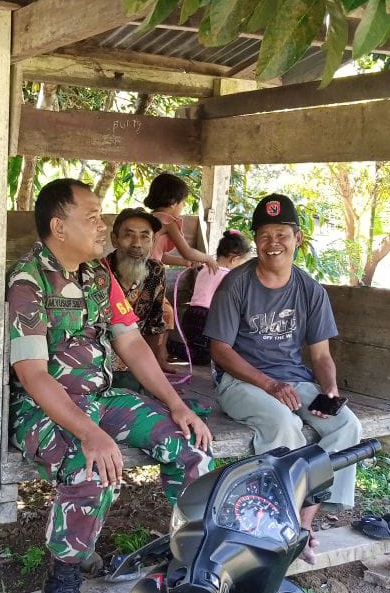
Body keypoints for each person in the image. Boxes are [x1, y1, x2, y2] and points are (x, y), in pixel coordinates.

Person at [8, 178, 213, 593]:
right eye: (93, 217)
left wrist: (176, 403)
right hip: (44, 407)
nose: (102, 226)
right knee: (91, 466)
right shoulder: (29, 281)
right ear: (59, 227)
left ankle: (186, 562)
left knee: (191, 445)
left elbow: (132, 342)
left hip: (101, 398)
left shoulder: (100, 275)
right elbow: (33, 374)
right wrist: (90, 433)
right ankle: (63, 577)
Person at [205, 193, 361, 562]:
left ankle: (303, 524)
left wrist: (329, 390)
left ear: (297, 239)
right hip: (242, 382)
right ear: (255, 240)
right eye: (264, 235)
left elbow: (321, 355)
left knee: (347, 426)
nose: (273, 243)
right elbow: (220, 351)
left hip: (294, 381)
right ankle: (277, 524)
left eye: (282, 234)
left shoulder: (309, 289)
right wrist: (268, 384)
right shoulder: (236, 285)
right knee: (283, 424)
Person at [105, 207, 172, 379]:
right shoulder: (98, 273)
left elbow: (153, 325)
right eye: (129, 235)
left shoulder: (156, 271)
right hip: (100, 366)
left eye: (144, 236)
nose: (137, 244)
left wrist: (153, 376)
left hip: (136, 364)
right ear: (114, 239)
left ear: (153, 242)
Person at [180, 230, 253, 365]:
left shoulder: (204, 269)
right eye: (242, 264)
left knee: (200, 350)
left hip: (191, 315)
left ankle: (183, 349)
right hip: (208, 319)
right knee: (207, 356)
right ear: (234, 259)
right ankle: (172, 347)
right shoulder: (229, 276)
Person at [144, 172, 219, 273]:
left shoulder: (150, 218)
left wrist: (185, 262)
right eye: (183, 202)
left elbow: (159, 256)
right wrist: (208, 258)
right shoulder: (168, 222)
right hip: (149, 274)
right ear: (173, 202)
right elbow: (187, 252)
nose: (184, 205)